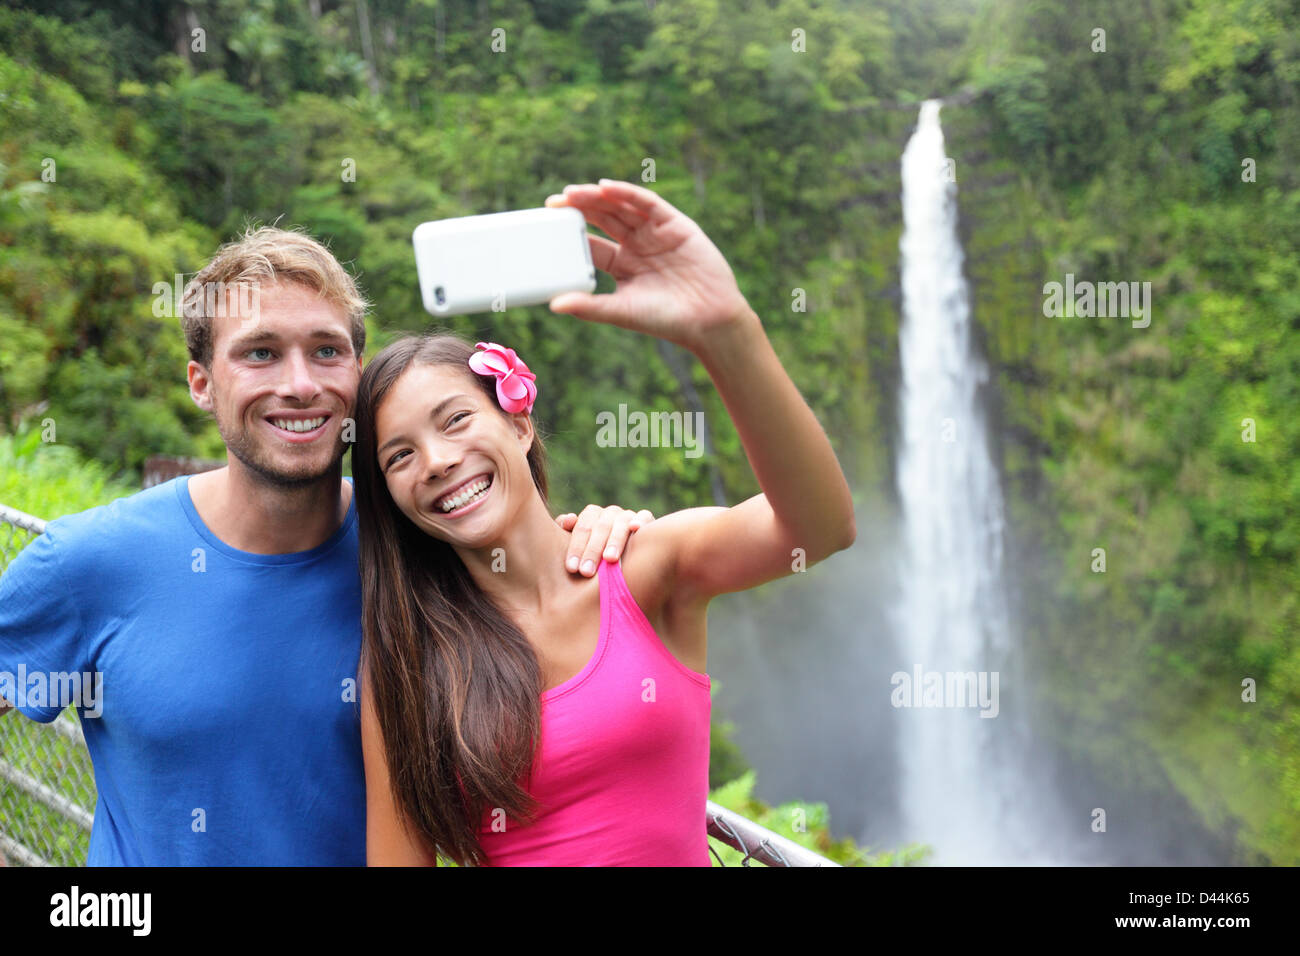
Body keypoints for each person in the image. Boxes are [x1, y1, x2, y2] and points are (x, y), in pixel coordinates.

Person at [0, 225, 650, 865]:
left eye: (326, 351)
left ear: (359, 376)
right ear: (201, 383)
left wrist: (606, 531)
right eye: (260, 353)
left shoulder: (419, 545)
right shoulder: (92, 561)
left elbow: (547, 584)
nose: (301, 384)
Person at [356, 179, 856, 866]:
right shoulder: (408, 663)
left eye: (457, 420)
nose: (438, 461)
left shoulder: (649, 568)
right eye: (400, 455)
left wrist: (725, 330)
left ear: (520, 422)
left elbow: (819, 530)